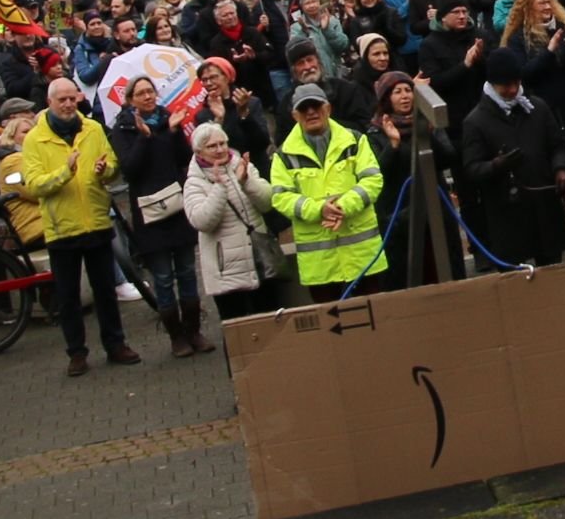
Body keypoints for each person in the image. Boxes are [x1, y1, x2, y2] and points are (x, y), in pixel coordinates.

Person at [14, 77, 135, 376]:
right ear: (50, 103)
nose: (68, 105)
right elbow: (35, 184)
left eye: (72, 99)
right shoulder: (35, 140)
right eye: (62, 100)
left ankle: (115, 344)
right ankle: (76, 353)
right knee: (68, 297)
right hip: (62, 227)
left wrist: (104, 170)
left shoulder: (92, 129)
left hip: (95, 220)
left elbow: (113, 167)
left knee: (106, 290)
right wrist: (64, 173)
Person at [109, 79, 207, 353]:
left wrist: (174, 133)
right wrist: (144, 137)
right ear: (130, 100)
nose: (147, 97)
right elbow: (130, 169)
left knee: (188, 271)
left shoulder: (168, 120)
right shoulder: (123, 129)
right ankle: (176, 337)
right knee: (163, 277)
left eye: (150, 91)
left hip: (177, 207)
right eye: (140, 93)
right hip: (150, 214)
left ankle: (194, 331)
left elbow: (185, 159)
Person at [456, 48, 565, 270]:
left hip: (543, 207)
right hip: (507, 216)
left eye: (515, 84)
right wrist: (496, 165)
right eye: (505, 86)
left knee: (554, 276)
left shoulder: (536, 107)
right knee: (515, 285)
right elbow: (471, 169)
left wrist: (562, 168)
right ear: (492, 85)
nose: (511, 90)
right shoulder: (476, 121)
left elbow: (558, 144)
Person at [269, 82, 386, 295]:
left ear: (328, 108)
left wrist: (342, 207)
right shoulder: (283, 155)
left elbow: (372, 181)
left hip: (362, 258)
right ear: (295, 115)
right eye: (304, 108)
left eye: (316, 105)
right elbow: (280, 198)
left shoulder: (356, 141)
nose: (311, 112)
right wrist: (318, 209)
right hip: (320, 266)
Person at [180, 122, 281, 322]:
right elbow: (202, 221)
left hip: (260, 262)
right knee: (237, 334)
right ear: (199, 151)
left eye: (223, 143)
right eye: (212, 146)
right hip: (226, 272)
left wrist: (247, 183)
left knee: (270, 325)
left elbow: (268, 202)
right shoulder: (194, 183)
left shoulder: (243, 166)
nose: (220, 150)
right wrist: (219, 188)